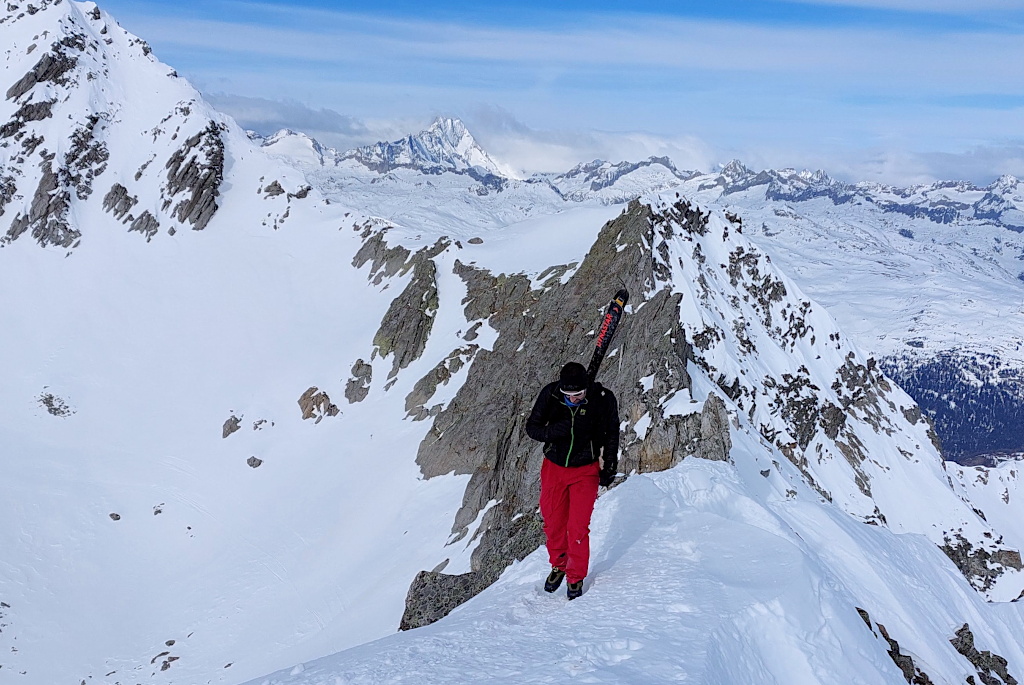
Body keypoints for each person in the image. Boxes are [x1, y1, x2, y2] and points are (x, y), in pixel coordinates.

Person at [525, 361, 619, 600]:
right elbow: (532, 428)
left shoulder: (602, 399)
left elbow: (612, 433)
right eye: (568, 395)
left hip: (585, 470)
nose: (572, 399)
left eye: (577, 395)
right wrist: (556, 430)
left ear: (585, 388)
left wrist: (609, 465)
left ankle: (575, 577)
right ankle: (559, 565)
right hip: (554, 467)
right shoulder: (551, 393)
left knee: (577, 527)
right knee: (553, 522)